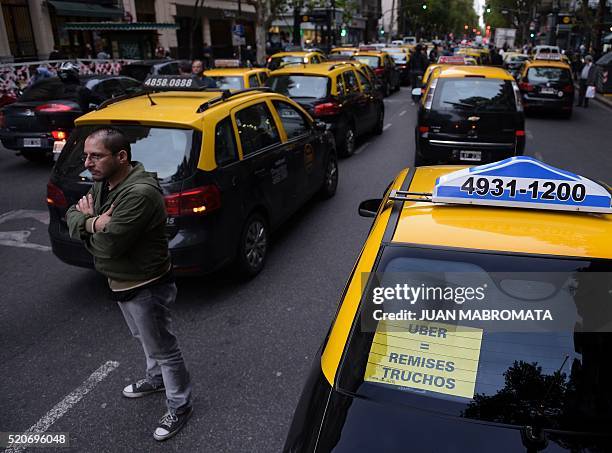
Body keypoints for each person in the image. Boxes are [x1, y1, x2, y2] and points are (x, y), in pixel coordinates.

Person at [66, 127, 193, 442]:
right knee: (143, 338)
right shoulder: (105, 184)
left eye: (96, 156)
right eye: (86, 156)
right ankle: (156, 379)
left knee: (164, 348)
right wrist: (93, 222)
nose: (88, 163)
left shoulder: (139, 194)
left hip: (145, 284)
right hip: (120, 279)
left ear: (121, 156)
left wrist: (86, 229)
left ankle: (180, 405)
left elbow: (109, 247)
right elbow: (72, 213)